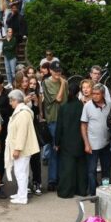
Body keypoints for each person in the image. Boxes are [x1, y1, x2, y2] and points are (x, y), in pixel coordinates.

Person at [5, 90, 39, 205]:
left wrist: (17, 149)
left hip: (21, 149)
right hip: (21, 148)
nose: (10, 103)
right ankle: (21, 193)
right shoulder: (21, 111)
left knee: (20, 172)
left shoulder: (23, 112)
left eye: (11, 101)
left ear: (15, 100)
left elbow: (22, 132)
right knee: (21, 172)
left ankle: (22, 197)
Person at [81, 84, 111, 195]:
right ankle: (93, 193)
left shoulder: (109, 105)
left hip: (106, 144)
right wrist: (86, 144)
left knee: (106, 170)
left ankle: (105, 191)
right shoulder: (87, 106)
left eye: (97, 94)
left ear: (103, 94)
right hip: (92, 145)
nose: (94, 96)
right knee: (91, 170)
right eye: (93, 93)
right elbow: (83, 125)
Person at [41, 61, 68, 191]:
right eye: (56, 71)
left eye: (59, 71)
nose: (58, 73)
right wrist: (63, 83)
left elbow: (66, 101)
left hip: (64, 120)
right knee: (54, 150)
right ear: (50, 71)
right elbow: (58, 98)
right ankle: (52, 180)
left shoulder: (65, 82)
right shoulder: (46, 83)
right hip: (53, 120)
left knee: (63, 150)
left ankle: (61, 179)